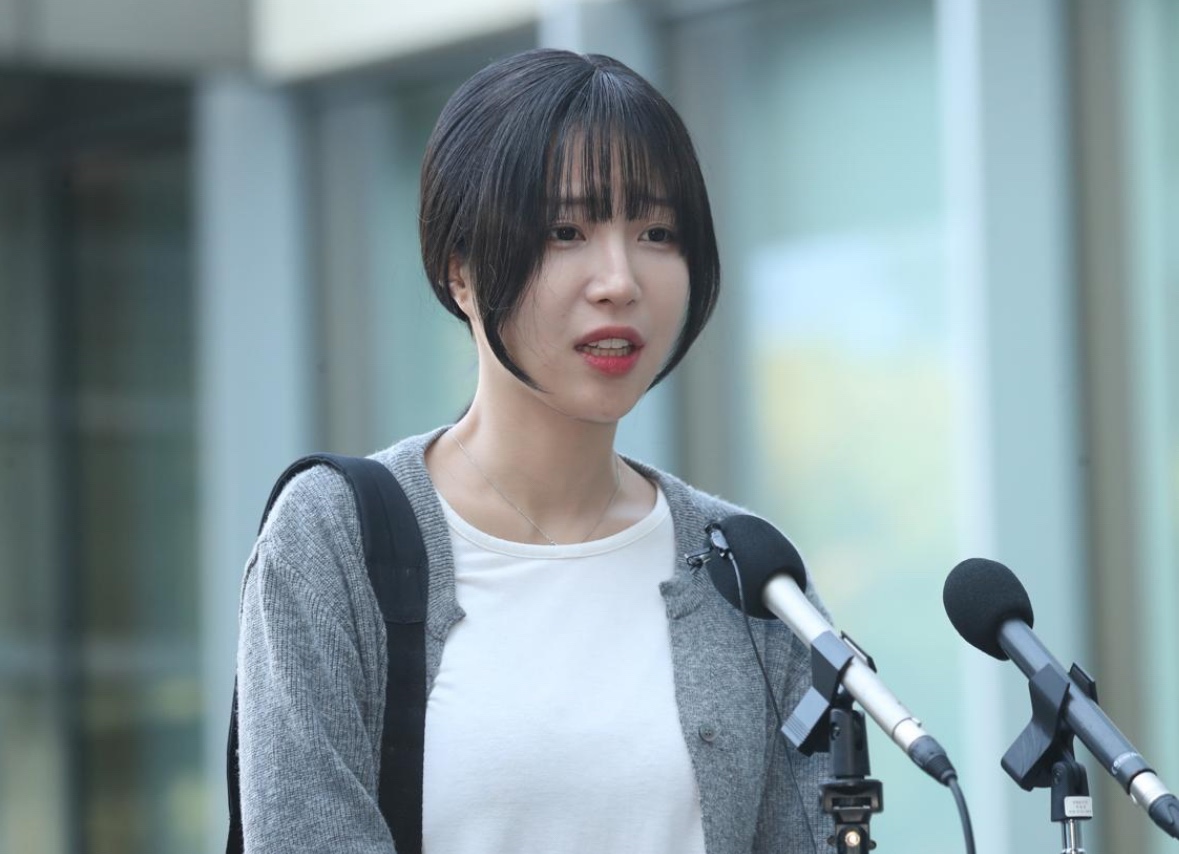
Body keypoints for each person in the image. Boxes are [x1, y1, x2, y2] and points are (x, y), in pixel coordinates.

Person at [236, 48, 833, 853]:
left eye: (657, 233)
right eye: (565, 232)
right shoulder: (335, 538)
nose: (618, 280)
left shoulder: (746, 569)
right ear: (459, 270)